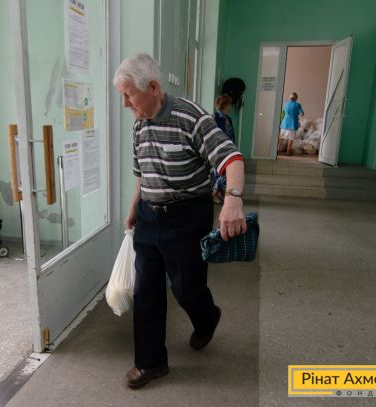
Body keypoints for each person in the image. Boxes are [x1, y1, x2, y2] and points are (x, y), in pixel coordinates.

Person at [113, 52, 247, 389]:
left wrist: (233, 200)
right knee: (146, 291)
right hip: (149, 216)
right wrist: (134, 206)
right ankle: (151, 363)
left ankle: (207, 317)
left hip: (187, 216)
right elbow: (142, 171)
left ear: (153, 87)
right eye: (122, 96)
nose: (125, 104)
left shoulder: (192, 118)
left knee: (187, 288)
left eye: (128, 95)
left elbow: (231, 159)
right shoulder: (139, 123)